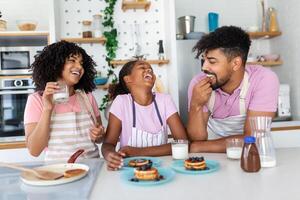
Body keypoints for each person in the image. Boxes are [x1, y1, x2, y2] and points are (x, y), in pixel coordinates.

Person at [187, 26, 279, 153]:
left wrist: (200, 146)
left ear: (236, 63)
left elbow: (253, 139)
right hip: (211, 159)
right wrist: (195, 105)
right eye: (204, 60)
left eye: (212, 62)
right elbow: (197, 138)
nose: (204, 67)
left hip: (248, 156)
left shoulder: (264, 79)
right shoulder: (198, 83)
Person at [24, 41, 105, 161]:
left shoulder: (87, 97)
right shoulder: (36, 100)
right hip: (56, 172)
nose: (79, 67)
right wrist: (47, 108)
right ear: (56, 64)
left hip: (92, 169)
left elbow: (99, 138)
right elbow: (34, 150)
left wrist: (99, 135)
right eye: (72, 61)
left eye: (81, 63)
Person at [102, 60, 187, 170]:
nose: (148, 70)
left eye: (151, 69)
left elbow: (183, 143)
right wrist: (109, 154)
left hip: (160, 168)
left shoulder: (165, 100)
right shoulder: (122, 102)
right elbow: (108, 144)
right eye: (142, 67)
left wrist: (137, 152)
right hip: (130, 169)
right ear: (128, 79)